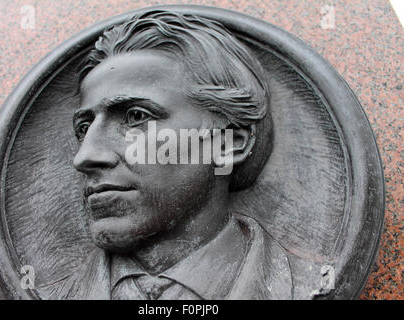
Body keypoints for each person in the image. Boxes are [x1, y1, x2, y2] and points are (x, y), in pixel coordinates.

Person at [50, 10, 292, 300]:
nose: (84, 157)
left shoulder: (308, 283)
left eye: (135, 116)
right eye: (84, 128)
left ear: (229, 144)